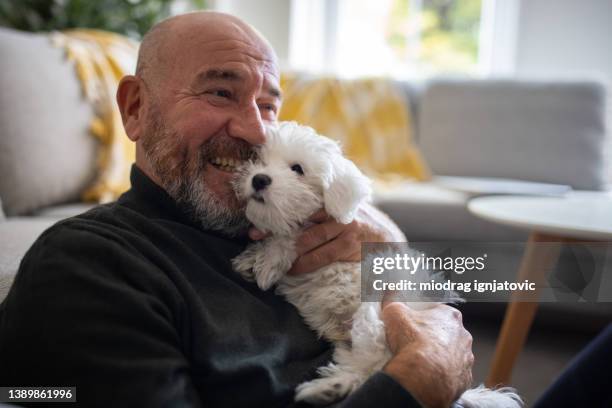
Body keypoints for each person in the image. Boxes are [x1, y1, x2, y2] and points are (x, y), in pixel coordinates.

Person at [0, 11, 473, 408]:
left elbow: (471, 278)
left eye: (268, 105)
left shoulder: (294, 222)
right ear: (136, 108)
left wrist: (386, 240)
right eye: (221, 93)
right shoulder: (89, 266)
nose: (254, 129)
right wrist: (417, 379)